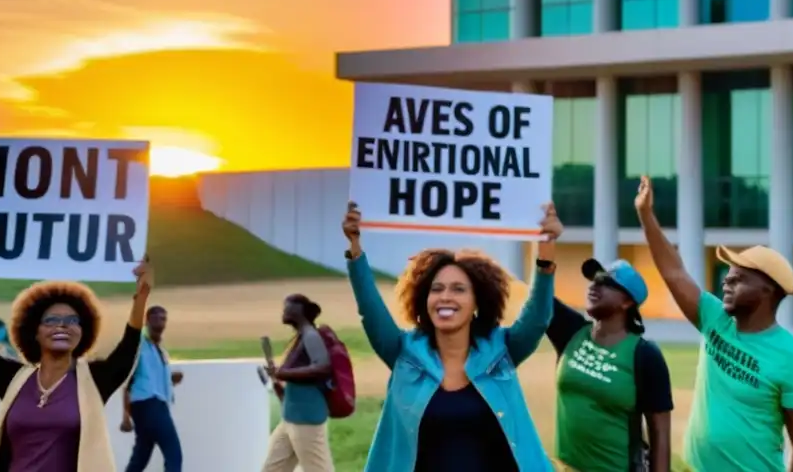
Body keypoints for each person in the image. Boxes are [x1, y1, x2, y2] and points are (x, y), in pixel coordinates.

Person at [343, 199, 562, 472]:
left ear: (477, 301)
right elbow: (369, 308)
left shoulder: (501, 350)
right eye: (437, 289)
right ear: (424, 299)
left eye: (459, 289)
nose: (445, 297)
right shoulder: (403, 352)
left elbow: (538, 317)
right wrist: (354, 249)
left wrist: (546, 254)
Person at [632, 175, 793, 472]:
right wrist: (646, 215)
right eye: (727, 274)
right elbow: (674, 272)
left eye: (739, 277)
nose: (726, 280)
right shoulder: (715, 318)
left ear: (767, 291)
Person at [0, 247, 152, 472]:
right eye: (51, 320)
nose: (62, 325)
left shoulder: (95, 380)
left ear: (83, 330)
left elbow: (127, 350)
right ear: (34, 331)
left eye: (72, 320)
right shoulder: (13, 379)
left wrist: (142, 297)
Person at [546, 257, 673, 472]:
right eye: (594, 280)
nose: (595, 286)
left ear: (627, 302)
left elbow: (660, 435)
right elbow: (539, 296)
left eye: (607, 283)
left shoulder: (644, 355)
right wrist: (545, 253)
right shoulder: (571, 331)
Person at [261, 294, 335, 472]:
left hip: (306, 419)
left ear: (298, 311)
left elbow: (323, 367)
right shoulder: (301, 337)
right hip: (290, 417)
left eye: (287, 307)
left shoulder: (310, 335)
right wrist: (279, 379)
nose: (283, 311)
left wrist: (283, 373)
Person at [122, 305, 184, 472]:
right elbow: (128, 380)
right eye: (156, 318)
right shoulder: (139, 345)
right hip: (151, 404)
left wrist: (171, 379)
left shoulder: (160, 350)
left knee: (140, 457)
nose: (160, 322)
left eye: (163, 318)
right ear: (146, 320)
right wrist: (125, 417)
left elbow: (151, 377)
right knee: (174, 454)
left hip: (149, 406)